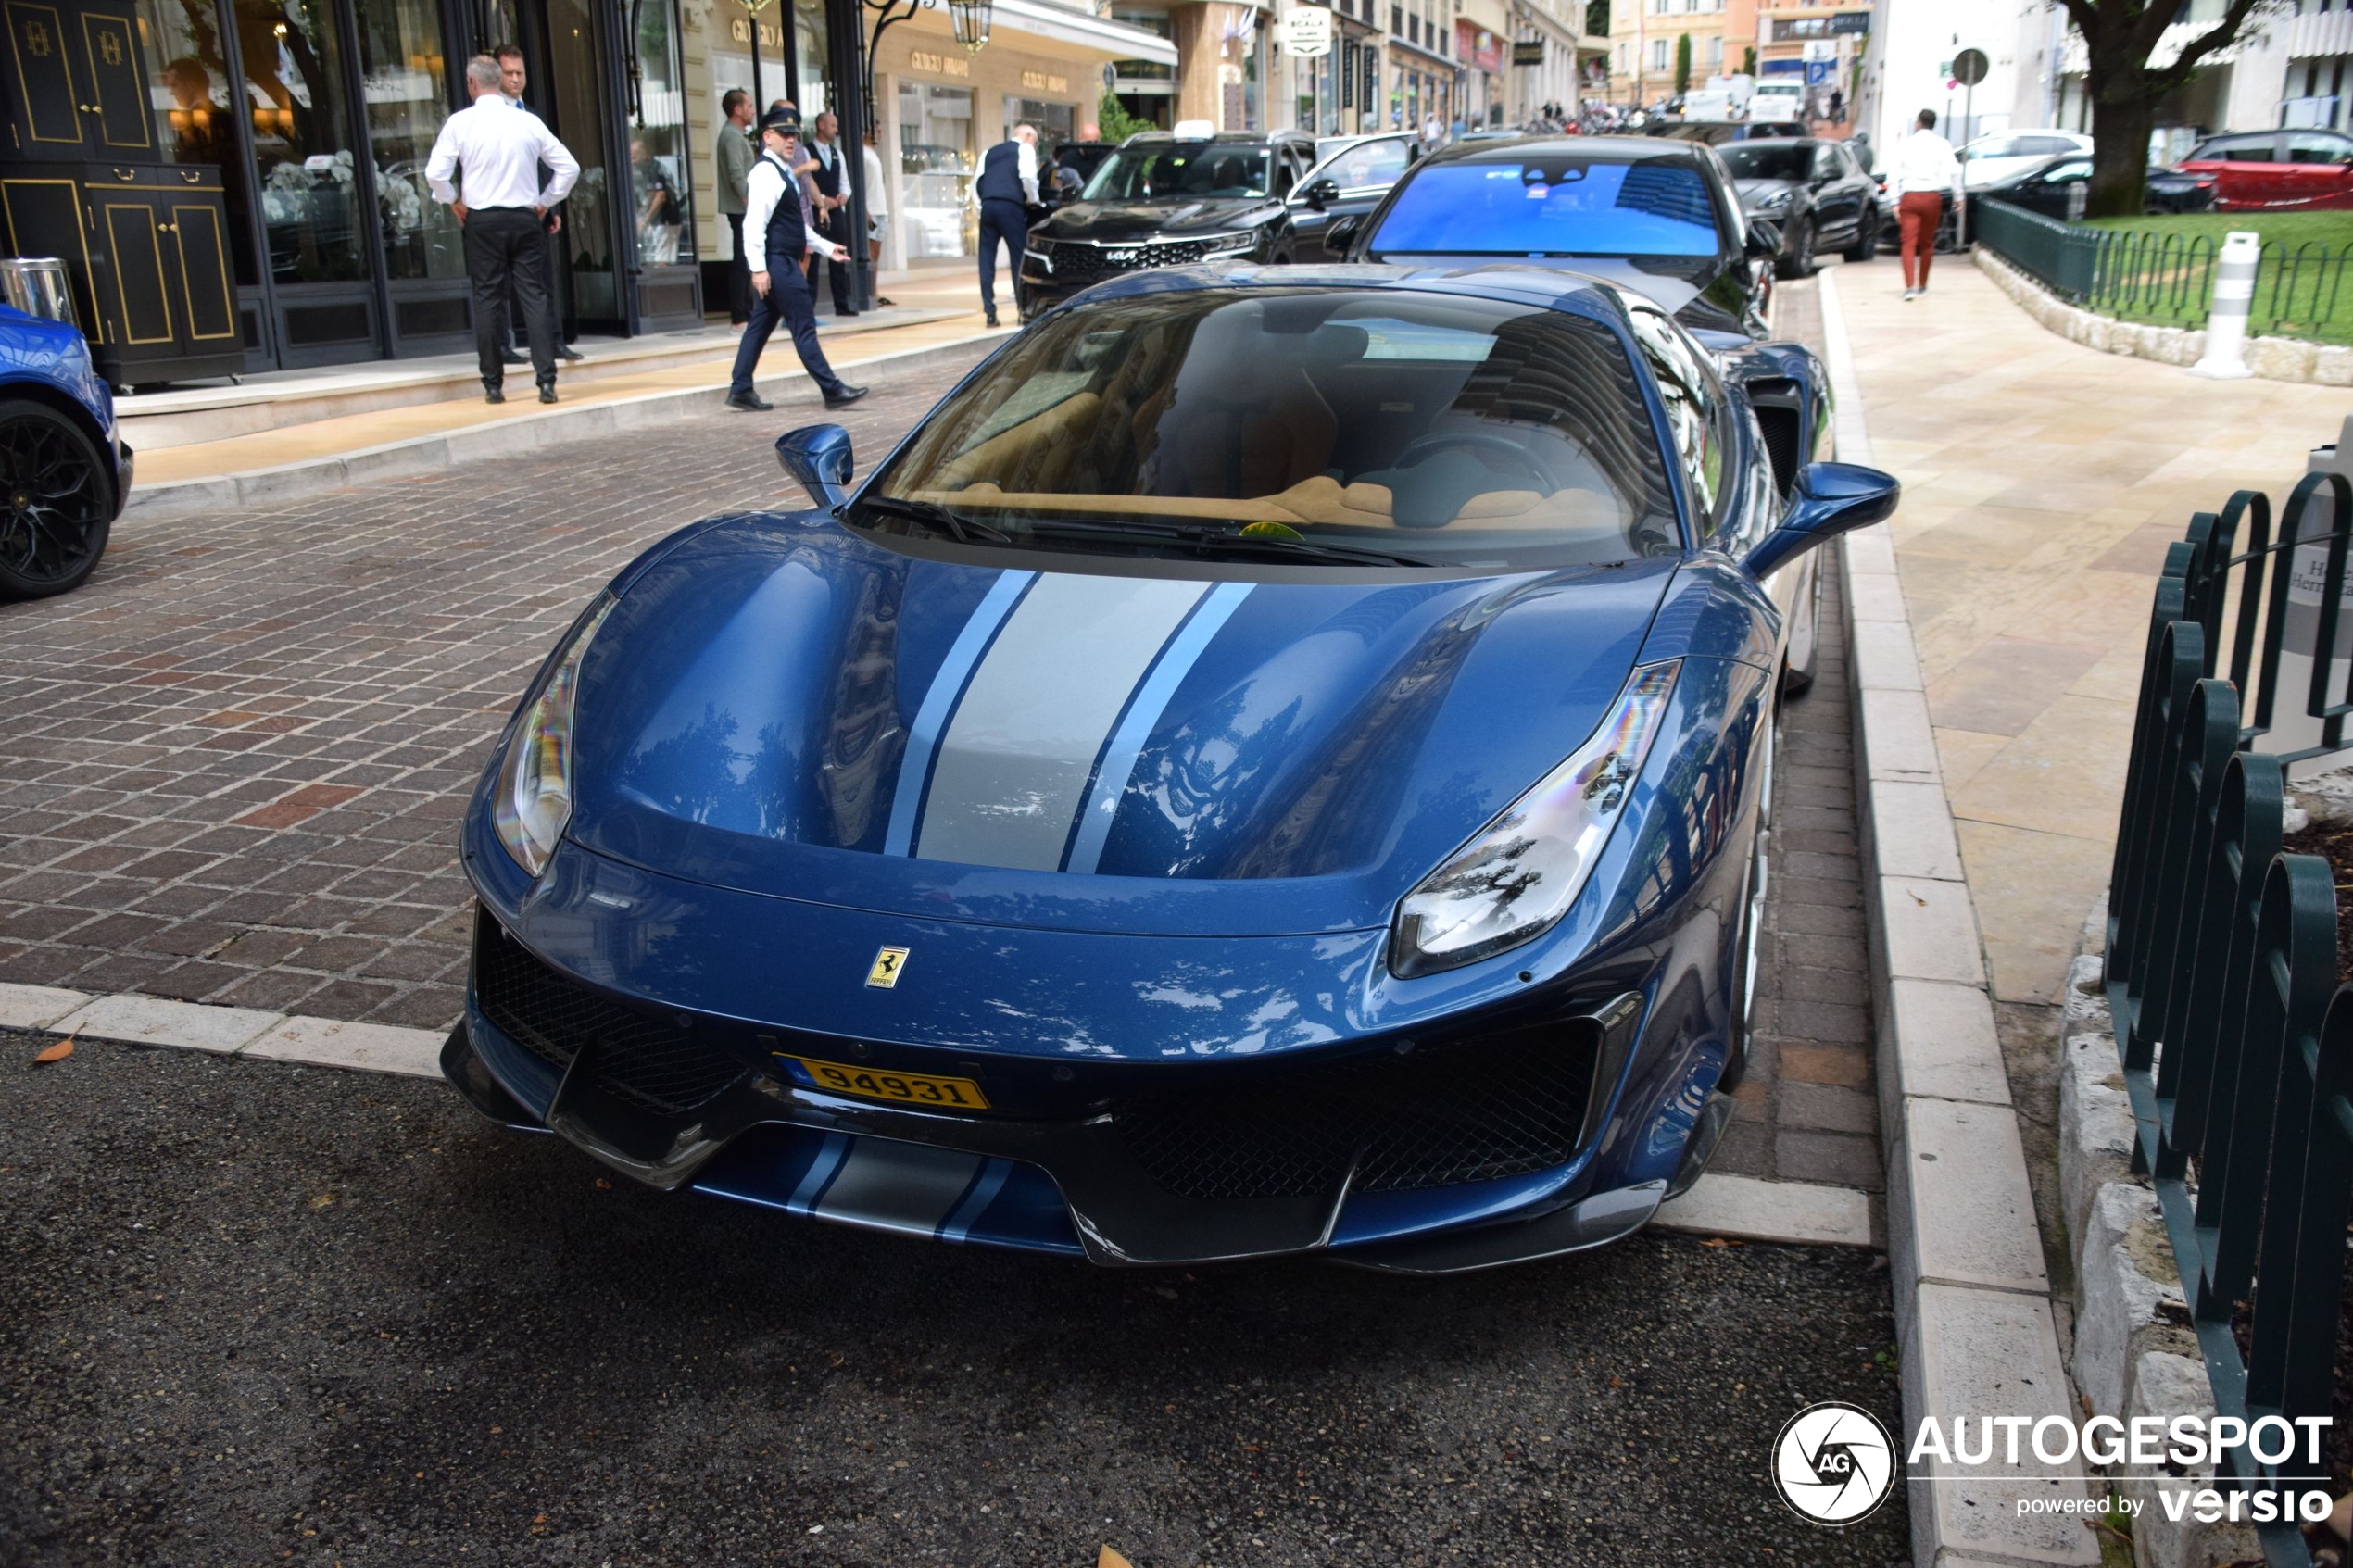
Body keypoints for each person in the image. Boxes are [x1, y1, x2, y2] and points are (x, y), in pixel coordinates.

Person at [427, 54, 578, 404]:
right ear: (498, 80)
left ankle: (493, 384)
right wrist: (545, 200)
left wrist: (453, 199)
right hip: (525, 217)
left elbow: (435, 174)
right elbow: (569, 167)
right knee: (534, 296)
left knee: (488, 298)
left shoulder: (460, 123)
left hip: (482, 219)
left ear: (472, 83)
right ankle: (546, 381)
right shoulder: (526, 122)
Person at [726, 108, 865, 413]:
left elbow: (793, 225)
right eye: (784, 135)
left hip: (781, 260)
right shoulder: (765, 173)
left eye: (794, 136)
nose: (791, 140)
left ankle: (740, 388)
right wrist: (758, 269)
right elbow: (753, 226)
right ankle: (832, 390)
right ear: (767, 137)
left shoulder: (781, 170)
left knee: (759, 327)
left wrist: (826, 247)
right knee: (803, 325)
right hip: (778, 264)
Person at [493, 45, 582, 364]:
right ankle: (501, 346)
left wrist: (551, 207)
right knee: (498, 285)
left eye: (520, 73)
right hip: (498, 212)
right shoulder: (483, 117)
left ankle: (552, 342)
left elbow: (547, 164)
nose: (516, 79)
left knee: (545, 281)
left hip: (536, 211)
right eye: (509, 73)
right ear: (496, 75)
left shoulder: (530, 115)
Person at [1891, 107, 1961, 301]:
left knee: (1908, 243)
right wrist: (1959, 196)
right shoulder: (1942, 144)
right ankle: (1923, 284)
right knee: (1927, 243)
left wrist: (1894, 200)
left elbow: (1894, 173)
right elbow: (1955, 171)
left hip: (1910, 196)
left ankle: (1909, 287)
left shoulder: (1905, 144)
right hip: (1931, 197)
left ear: (1918, 123)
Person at [975, 122, 1038, 328]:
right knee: (1018, 257)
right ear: (1028, 136)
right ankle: (1022, 308)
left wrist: (981, 207)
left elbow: (977, 183)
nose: (1034, 146)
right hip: (1011, 206)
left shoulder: (988, 153)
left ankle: (990, 312)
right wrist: (1033, 201)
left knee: (986, 258)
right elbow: (1028, 178)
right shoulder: (1025, 149)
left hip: (988, 205)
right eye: (1035, 142)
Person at [804, 110, 857, 316]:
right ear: (821, 125)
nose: (836, 129)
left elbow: (845, 182)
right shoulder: (808, 152)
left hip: (836, 213)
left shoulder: (838, 154)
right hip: (817, 211)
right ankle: (810, 306)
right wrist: (823, 199)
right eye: (833, 125)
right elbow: (807, 181)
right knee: (814, 257)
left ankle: (841, 304)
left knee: (839, 255)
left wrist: (844, 196)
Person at [716, 88, 758, 326]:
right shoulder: (732, 136)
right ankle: (740, 317)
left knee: (746, 260)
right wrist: (748, 201)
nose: (752, 110)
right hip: (742, 209)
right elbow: (736, 173)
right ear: (737, 109)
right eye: (749, 106)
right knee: (742, 261)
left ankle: (745, 314)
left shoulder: (734, 134)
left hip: (742, 208)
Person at [862, 132, 894, 308]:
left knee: (876, 254)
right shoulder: (861, 153)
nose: (878, 135)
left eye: (881, 131)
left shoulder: (873, 153)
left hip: (881, 209)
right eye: (876, 131)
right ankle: (868, 290)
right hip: (871, 209)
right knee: (869, 252)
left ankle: (874, 290)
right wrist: (864, 209)